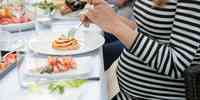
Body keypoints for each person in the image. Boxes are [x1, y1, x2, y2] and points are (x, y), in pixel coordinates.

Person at [81, 0, 200, 99]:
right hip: (120, 87)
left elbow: (176, 64)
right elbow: (145, 31)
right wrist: (106, 18)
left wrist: (115, 25)